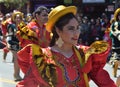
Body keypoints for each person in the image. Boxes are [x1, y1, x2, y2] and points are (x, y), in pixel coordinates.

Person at [16, 5, 116, 87]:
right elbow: (27, 84)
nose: (76, 33)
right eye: (71, 29)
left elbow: (104, 81)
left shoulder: (85, 54)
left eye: (77, 28)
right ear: (58, 31)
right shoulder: (42, 57)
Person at [6, 11, 24, 81]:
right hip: (13, 44)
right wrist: (8, 44)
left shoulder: (23, 26)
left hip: (21, 45)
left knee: (20, 60)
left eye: (19, 18)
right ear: (14, 18)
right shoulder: (11, 26)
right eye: (17, 18)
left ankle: (17, 74)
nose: (18, 19)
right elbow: (9, 36)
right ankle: (16, 74)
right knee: (17, 59)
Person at [109, 8, 120, 77]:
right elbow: (114, 32)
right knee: (116, 60)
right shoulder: (115, 24)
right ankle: (115, 70)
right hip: (116, 45)